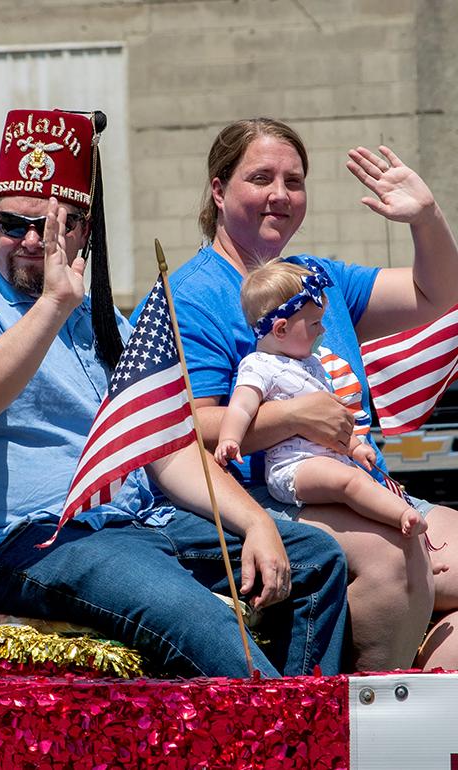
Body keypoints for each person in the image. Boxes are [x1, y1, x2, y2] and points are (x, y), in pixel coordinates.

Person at [0, 108, 349, 679]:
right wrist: (50, 307)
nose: (31, 242)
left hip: (130, 523)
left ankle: (301, 734)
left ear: (84, 232)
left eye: (55, 227)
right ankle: (283, 743)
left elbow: (165, 446)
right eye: (12, 224)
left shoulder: (106, 323)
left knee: (316, 557)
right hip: (19, 541)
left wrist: (256, 522)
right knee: (194, 617)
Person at [161, 116, 458, 670]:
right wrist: (295, 417)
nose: (280, 195)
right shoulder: (190, 295)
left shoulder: (318, 277)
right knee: (396, 557)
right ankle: (362, 725)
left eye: (294, 181)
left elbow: (437, 293)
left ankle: (421, 715)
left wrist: (426, 217)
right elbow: (187, 426)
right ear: (219, 192)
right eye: (261, 178)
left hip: (365, 483)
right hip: (270, 497)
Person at [215, 260, 427, 540]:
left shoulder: (313, 364)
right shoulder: (259, 365)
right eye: (315, 323)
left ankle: (412, 539)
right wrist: (230, 438)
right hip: (293, 468)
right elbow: (241, 406)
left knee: (366, 483)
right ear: (280, 329)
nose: (323, 331)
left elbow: (331, 420)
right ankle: (403, 517)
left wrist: (353, 446)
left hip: (332, 459)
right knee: (351, 482)